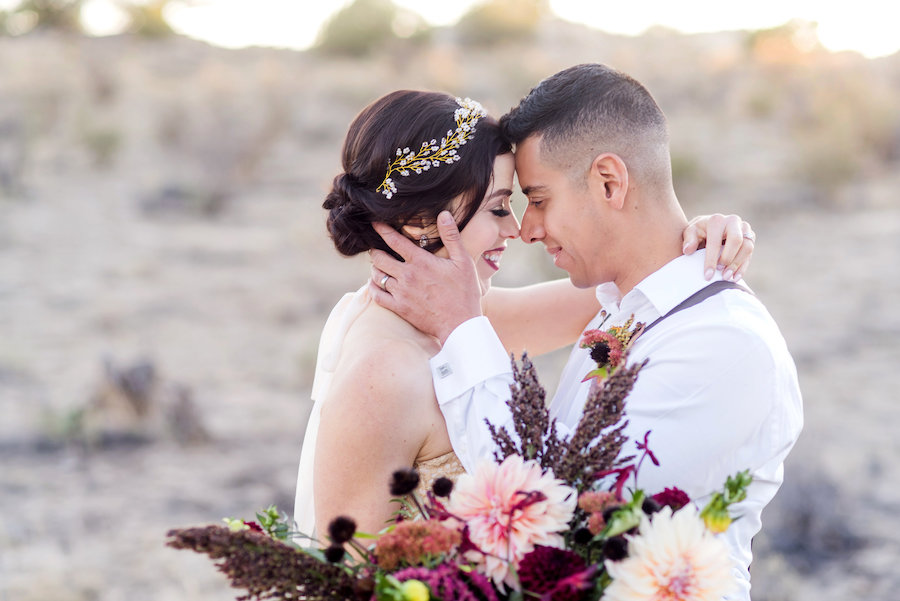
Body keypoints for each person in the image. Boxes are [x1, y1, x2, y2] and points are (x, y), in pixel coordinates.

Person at [369, 64, 802, 600]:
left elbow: (566, 530)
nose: (527, 229)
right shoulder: (624, 306)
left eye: (540, 199)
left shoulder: (721, 345)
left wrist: (461, 326)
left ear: (609, 182)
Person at [294, 88, 756, 545]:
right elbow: (346, 576)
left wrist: (697, 239)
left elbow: (634, 286)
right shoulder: (385, 369)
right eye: (498, 207)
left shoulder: (458, 317)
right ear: (421, 219)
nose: (515, 228)